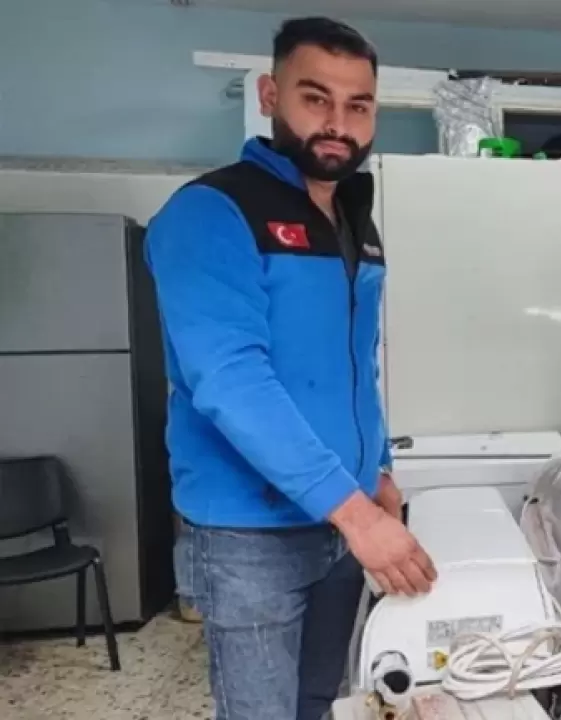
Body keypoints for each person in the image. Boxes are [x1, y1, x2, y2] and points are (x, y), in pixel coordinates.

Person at [146, 16, 436, 720]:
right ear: (270, 95)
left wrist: (378, 470)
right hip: (251, 534)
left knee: (319, 702)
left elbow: (353, 365)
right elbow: (231, 380)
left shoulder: (354, 221)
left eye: (358, 105)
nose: (338, 124)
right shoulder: (212, 212)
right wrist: (356, 513)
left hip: (340, 519)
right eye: (316, 98)